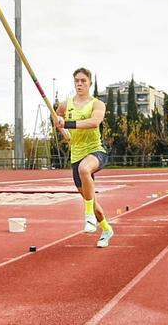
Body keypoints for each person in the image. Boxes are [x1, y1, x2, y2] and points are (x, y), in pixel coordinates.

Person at [55, 67, 114, 248]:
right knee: (93, 202)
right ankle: (106, 229)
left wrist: (68, 123)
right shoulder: (66, 104)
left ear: (90, 83)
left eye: (83, 81)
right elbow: (57, 118)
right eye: (77, 81)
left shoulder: (97, 104)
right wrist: (64, 131)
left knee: (84, 169)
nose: (79, 84)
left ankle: (87, 216)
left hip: (95, 151)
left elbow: (94, 122)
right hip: (76, 155)